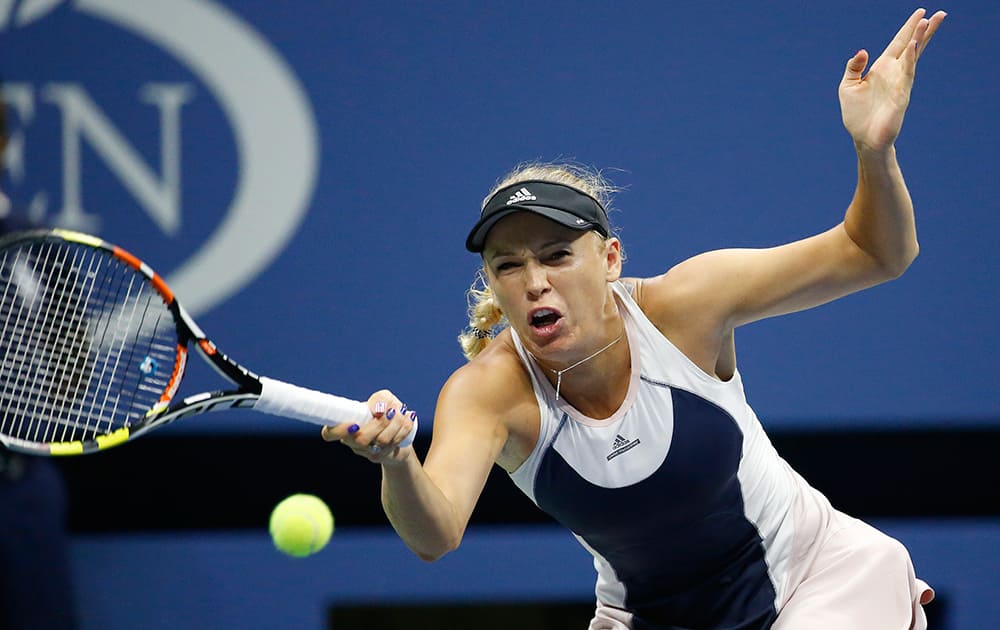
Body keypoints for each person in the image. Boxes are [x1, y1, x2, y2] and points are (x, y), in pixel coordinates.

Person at [323, 9, 945, 629]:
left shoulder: (686, 306)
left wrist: (874, 148)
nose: (535, 280)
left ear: (611, 259)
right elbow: (435, 535)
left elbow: (876, 253)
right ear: (492, 282)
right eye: (508, 265)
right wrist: (399, 462)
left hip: (820, 580)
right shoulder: (489, 393)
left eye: (557, 255)